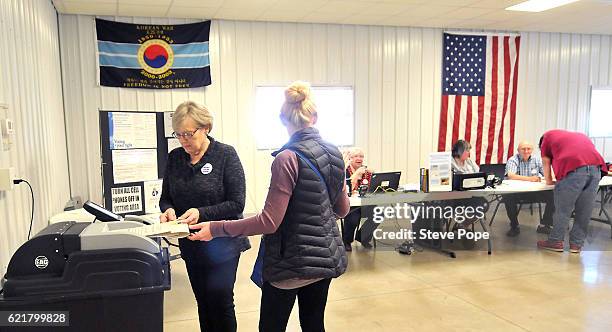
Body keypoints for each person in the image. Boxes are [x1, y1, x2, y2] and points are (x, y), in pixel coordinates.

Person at [188, 81, 350, 332]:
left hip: (290, 264)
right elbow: (342, 210)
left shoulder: (286, 159)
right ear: (314, 117)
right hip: (325, 260)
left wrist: (215, 228)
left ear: (282, 119)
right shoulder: (334, 153)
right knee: (314, 324)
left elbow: (268, 221)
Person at [159, 101, 250, 332]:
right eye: (178, 134)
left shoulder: (225, 155)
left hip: (222, 243)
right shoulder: (175, 158)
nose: (184, 140)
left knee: (220, 303)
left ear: (206, 127)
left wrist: (202, 213)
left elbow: (237, 203)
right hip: (191, 243)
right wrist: (168, 210)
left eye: (188, 134)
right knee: (203, 303)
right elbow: (166, 198)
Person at [537, 129, 607, 253]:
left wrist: (548, 180)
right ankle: (576, 244)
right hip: (596, 169)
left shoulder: (546, 138)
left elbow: (546, 161)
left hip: (574, 169)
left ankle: (555, 241)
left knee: (563, 209)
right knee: (584, 210)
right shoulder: (579, 135)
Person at [502, 141, 555, 237]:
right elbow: (510, 175)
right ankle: (514, 226)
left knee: (554, 195)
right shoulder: (513, 159)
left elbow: (547, 174)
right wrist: (530, 179)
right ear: (518, 150)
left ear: (532, 150)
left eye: (528, 148)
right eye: (523, 149)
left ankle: (545, 224)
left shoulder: (537, 159)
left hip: (534, 192)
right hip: (517, 193)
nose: (526, 151)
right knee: (507, 197)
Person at [341, 147, 376, 250]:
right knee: (353, 218)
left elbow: (372, 186)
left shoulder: (366, 171)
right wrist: (356, 174)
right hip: (351, 204)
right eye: (355, 156)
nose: (359, 158)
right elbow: (346, 188)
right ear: (350, 159)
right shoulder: (345, 171)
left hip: (364, 202)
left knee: (379, 213)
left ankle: (362, 237)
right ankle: (347, 241)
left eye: (361, 156)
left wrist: (374, 174)